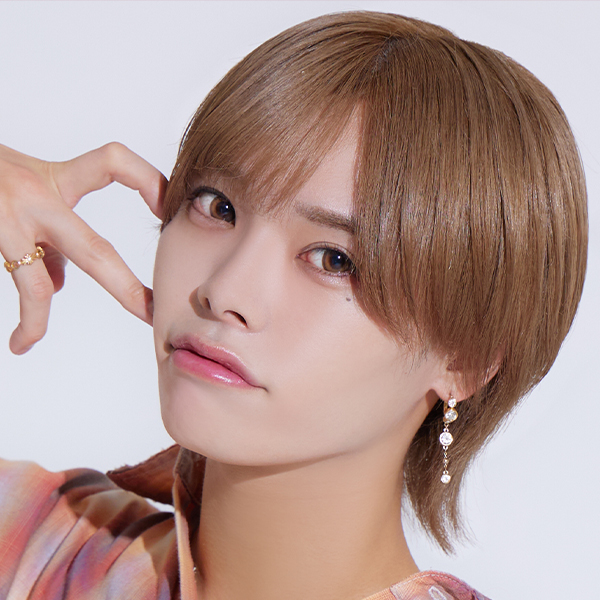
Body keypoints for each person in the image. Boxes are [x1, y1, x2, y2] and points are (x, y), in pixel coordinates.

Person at [0, 10, 588, 600]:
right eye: (218, 206)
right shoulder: (37, 547)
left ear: (465, 359)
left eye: (333, 259)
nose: (225, 292)